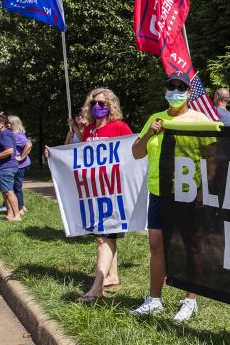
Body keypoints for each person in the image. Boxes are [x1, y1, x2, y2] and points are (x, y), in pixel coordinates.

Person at [130, 71, 214, 322]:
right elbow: (137, 152)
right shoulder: (155, 119)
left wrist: (205, 190)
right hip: (159, 192)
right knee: (156, 243)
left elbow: (212, 157)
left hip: (189, 193)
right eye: (171, 87)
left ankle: (190, 300)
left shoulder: (200, 120)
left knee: (191, 245)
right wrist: (149, 134)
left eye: (181, 87)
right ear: (165, 91)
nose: (175, 91)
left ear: (189, 92)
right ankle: (154, 299)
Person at [57, 88, 133, 302]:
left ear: (111, 106)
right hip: (93, 194)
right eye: (94, 104)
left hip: (113, 192)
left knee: (104, 238)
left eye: (102, 103)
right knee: (106, 237)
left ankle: (96, 288)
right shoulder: (89, 130)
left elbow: (131, 153)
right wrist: (54, 155)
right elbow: (80, 155)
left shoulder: (119, 127)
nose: (98, 107)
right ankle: (112, 275)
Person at [9, 115, 32, 213]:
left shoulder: (18, 135)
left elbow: (29, 145)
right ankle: (20, 205)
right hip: (14, 165)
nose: (6, 124)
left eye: (8, 123)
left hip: (20, 165)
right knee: (14, 186)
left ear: (13, 123)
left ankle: (20, 207)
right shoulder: (11, 134)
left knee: (16, 186)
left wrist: (21, 157)